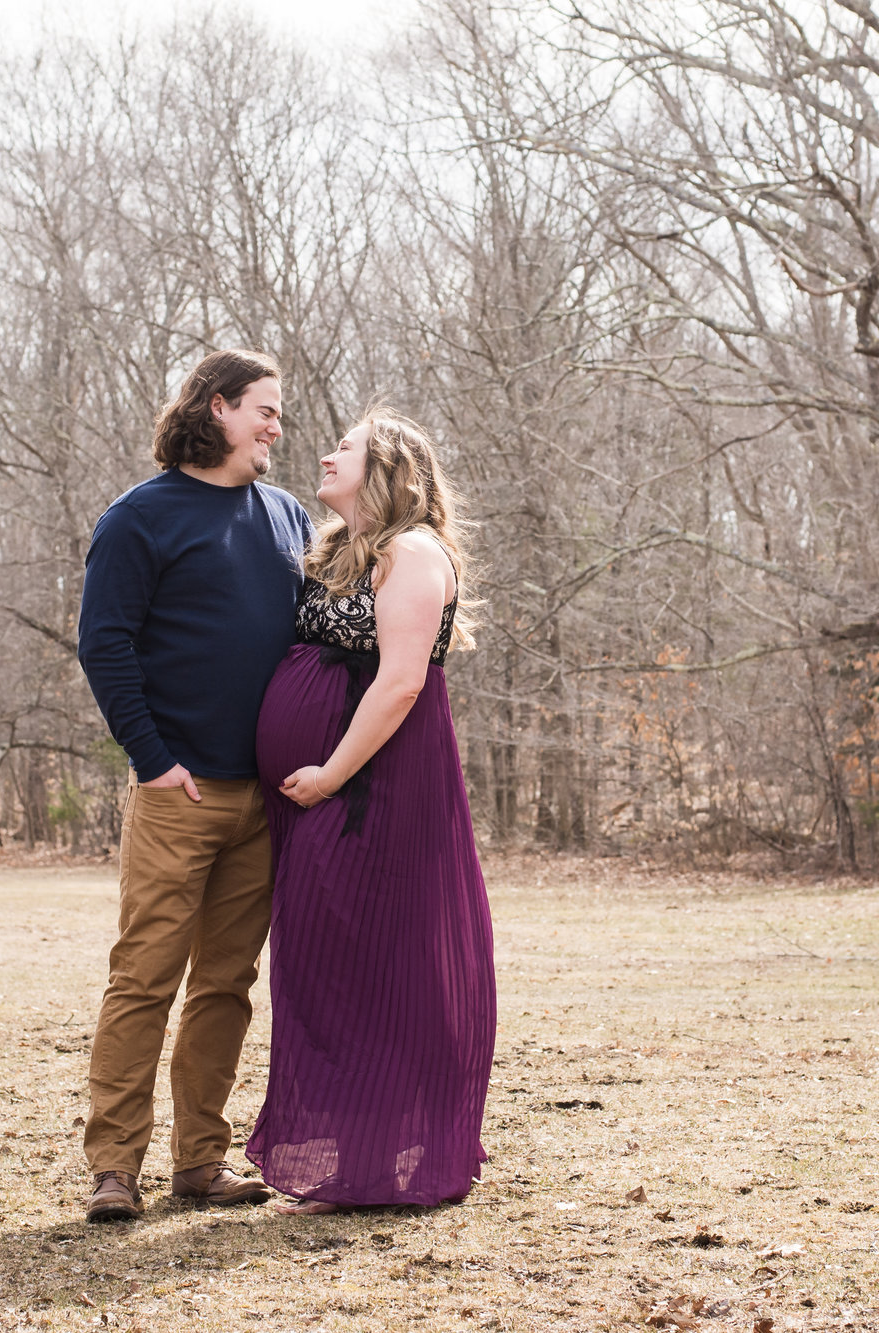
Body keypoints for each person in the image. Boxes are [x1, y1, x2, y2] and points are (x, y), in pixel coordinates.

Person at [74, 350, 313, 1223]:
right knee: (144, 977)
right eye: (265, 409)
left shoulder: (287, 517)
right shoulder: (140, 519)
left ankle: (200, 1162)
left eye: (279, 413)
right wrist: (152, 756)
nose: (277, 426)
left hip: (264, 799)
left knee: (226, 984)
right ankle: (114, 1169)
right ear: (217, 408)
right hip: (180, 794)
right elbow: (104, 643)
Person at [248, 412, 498, 1213]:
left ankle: (383, 1165)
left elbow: (399, 682)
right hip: (326, 794)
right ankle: (356, 1160)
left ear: (387, 468)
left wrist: (327, 774)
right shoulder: (341, 549)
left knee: (380, 965)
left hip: (375, 790)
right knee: (329, 963)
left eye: (345, 447)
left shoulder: (414, 551)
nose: (325, 454)